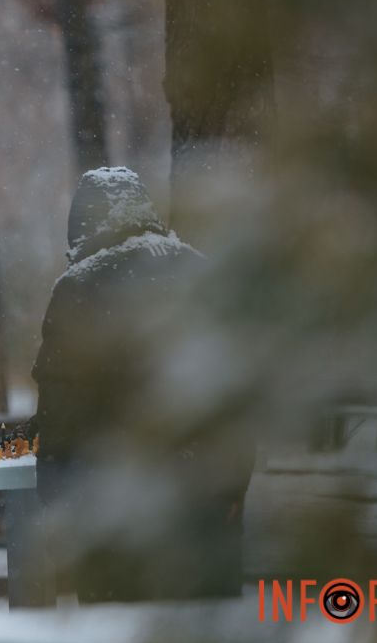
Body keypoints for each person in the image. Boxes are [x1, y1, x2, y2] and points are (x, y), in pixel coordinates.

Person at [31, 167, 254, 602]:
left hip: (112, 502)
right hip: (202, 496)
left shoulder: (79, 285)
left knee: (118, 629)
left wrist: (55, 501)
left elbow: (62, 406)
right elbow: (234, 390)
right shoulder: (202, 271)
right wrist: (232, 486)